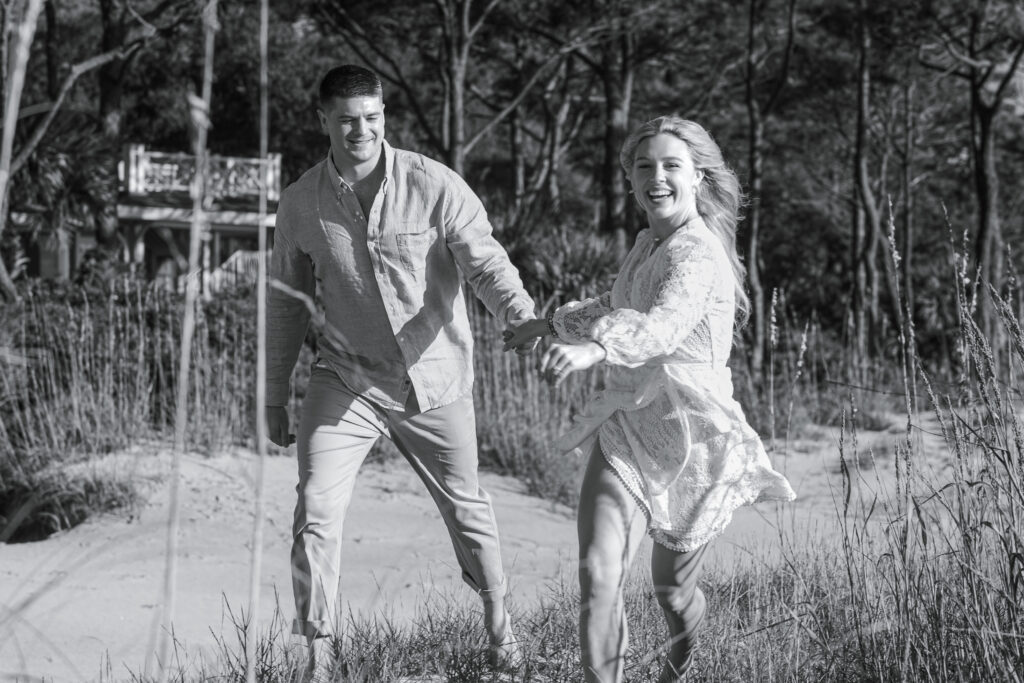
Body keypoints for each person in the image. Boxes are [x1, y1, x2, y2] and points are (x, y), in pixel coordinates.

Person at [265, 64, 536, 680]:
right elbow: (286, 301)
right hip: (346, 379)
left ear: (384, 117)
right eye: (346, 119)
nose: (360, 130)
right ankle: (318, 653)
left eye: (371, 118)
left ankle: (501, 629)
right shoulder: (301, 203)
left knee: (466, 508)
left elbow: (486, 262)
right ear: (323, 121)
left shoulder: (434, 184)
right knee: (314, 508)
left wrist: (520, 315)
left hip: (433, 378)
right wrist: (273, 394)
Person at [503, 115, 796, 682]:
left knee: (673, 591)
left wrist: (594, 350)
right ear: (631, 179)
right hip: (630, 424)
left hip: (694, 439)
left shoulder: (698, 254)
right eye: (644, 166)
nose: (656, 176)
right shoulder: (647, 243)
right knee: (598, 572)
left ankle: (682, 658)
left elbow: (662, 325)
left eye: (671, 165)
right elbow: (621, 302)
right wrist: (549, 325)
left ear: (699, 178)